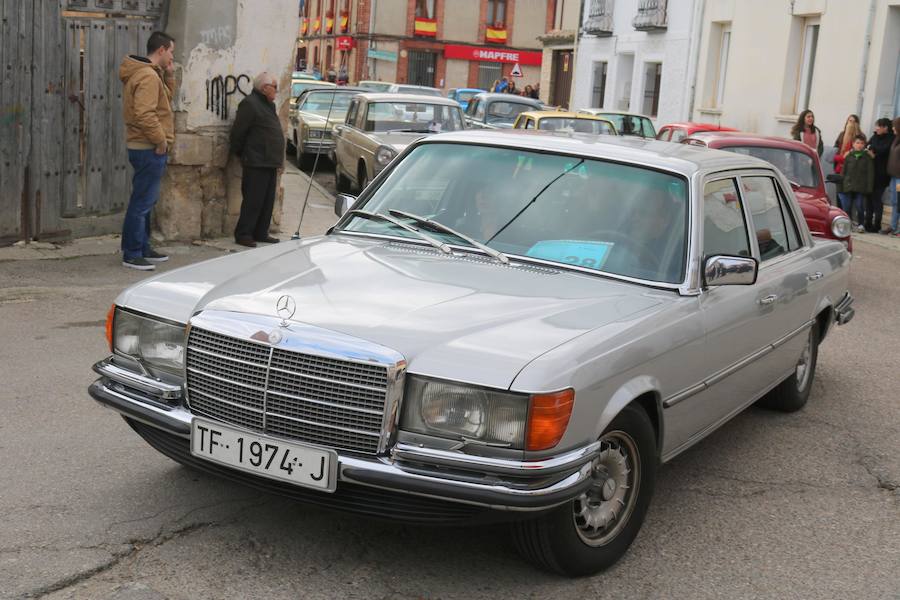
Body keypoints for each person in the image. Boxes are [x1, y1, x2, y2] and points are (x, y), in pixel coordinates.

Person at [118, 31, 176, 271]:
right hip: (148, 147)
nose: (172, 56)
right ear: (161, 50)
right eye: (171, 51)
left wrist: (170, 76)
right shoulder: (148, 76)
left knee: (145, 200)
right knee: (142, 202)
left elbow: (163, 102)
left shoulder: (151, 75)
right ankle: (132, 253)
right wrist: (160, 141)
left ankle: (142, 247)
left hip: (145, 145)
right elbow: (145, 113)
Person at [230, 72, 285, 247]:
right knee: (253, 200)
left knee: (267, 201)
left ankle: (261, 232)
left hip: (269, 161)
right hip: (256, 160)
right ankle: (244, 233)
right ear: (264, 88)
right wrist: (241, 154)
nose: (277, 89)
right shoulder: (250, 104)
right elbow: (238, 132)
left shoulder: (269, 105)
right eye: (274, 86)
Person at [838, 133, 874, 232]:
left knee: (860, 206)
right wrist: (841, 184)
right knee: (847, 206)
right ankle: (848, 223)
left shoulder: (867, 157)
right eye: (857, 143)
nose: (859, 145)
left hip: (861, 187)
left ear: (864, 145)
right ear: (853, 144)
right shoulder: (849, 156)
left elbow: (870, 173)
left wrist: (869, 188)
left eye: (862, 143)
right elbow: (843, 172)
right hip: (848, 185)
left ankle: (861, 224)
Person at [867, 118, 895, 233]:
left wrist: (874, 151)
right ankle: (867, 222)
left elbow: (883, 150)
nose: (876, 128)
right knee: (869, 198)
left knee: (877, 198)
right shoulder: (874, 136)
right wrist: (873, 150)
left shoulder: (891, 139)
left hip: (882, 175)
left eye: (879, 126)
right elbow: (868, 146)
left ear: (885, 128)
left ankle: (877, 224)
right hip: (870, 173)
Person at [886, 117, 900, 237]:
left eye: (895, 126)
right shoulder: (896, 139)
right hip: (894, 177)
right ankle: (893, 226)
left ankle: (897, 228)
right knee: (894, 201)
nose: (893, 128)